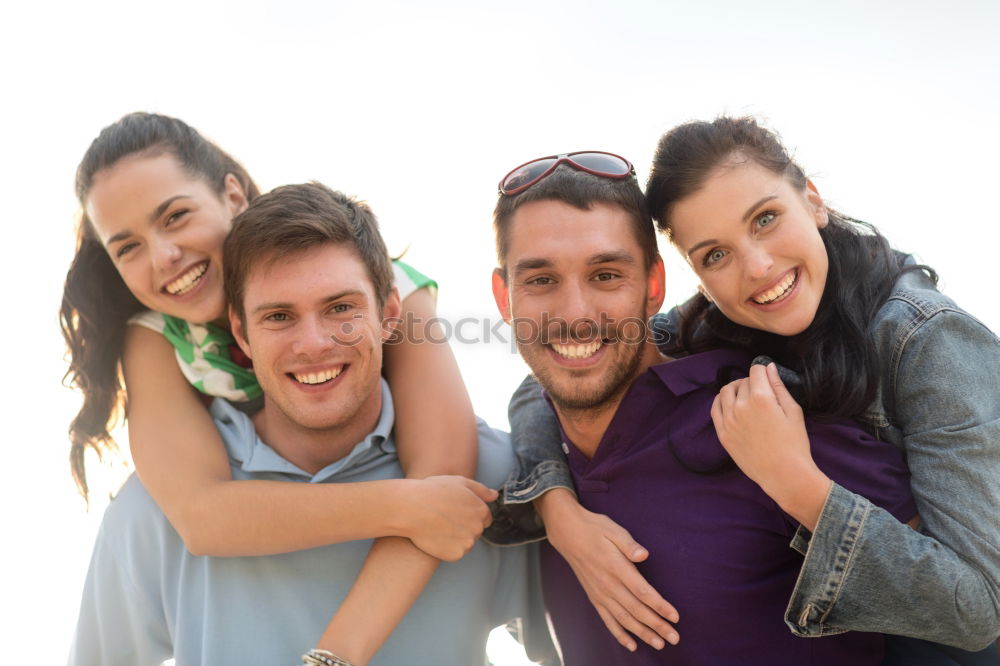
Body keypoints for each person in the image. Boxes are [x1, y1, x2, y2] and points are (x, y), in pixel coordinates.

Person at [499, 122, 1000, 664]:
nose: (757, 267)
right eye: (715, 254)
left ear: (812, 199)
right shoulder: (717, 322)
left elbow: (978, 609)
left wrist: (793, 481)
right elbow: (557, 376)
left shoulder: (924, 339)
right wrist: (557, 508)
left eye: (766, 219)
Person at [61, 113, 490, 661]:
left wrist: (334, 655)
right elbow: (203, 518)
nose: (163, 256)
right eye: (128, 248)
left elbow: (445, 482)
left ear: (232, 194)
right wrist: (400, 504)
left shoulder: (368, 283)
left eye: (176, 216)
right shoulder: (154, 339)